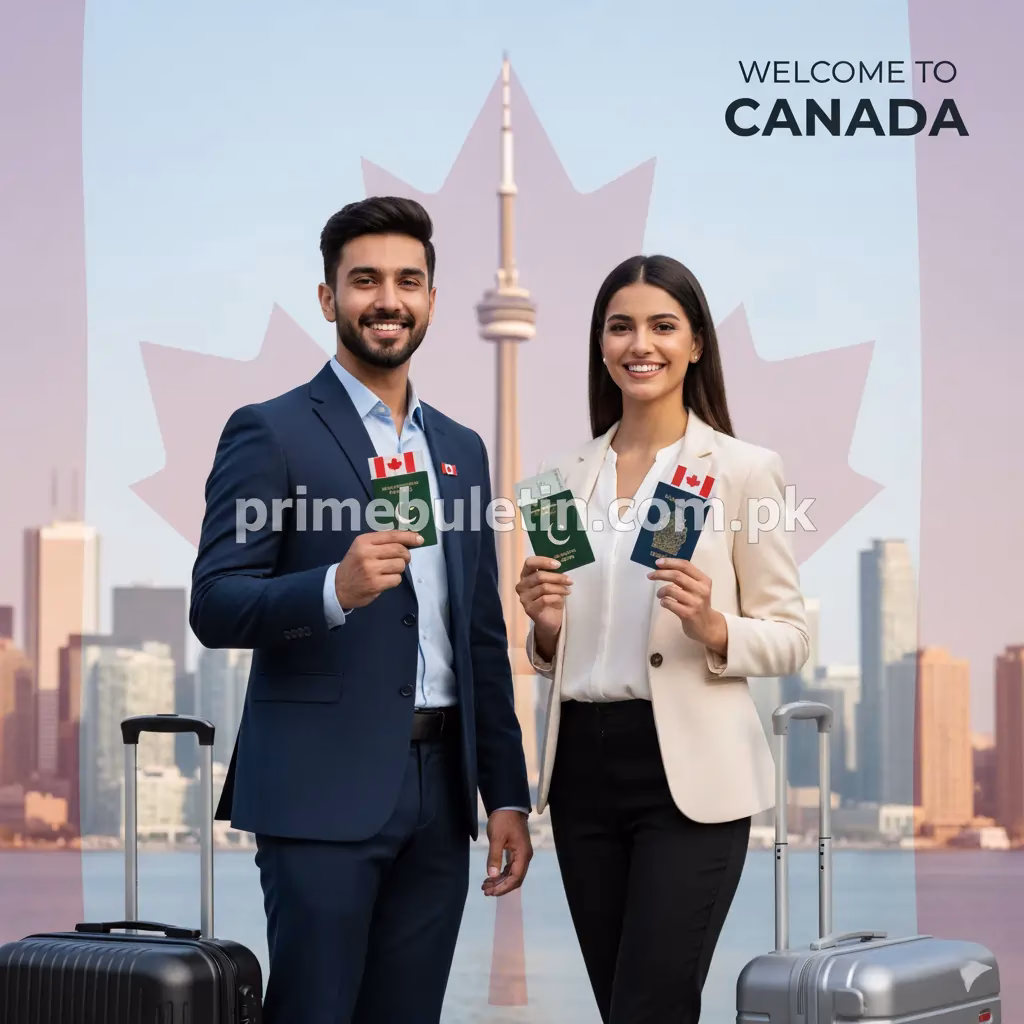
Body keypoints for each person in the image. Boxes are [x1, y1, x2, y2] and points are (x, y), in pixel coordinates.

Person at [190, 196, 533, 1024]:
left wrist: (507, 795)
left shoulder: (460, 450)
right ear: (327, 297)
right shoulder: (269, 433)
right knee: (312, 1012)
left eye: (408, 281)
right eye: (366, 280)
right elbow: (215, 603)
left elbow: (480, 634)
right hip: (319, 788)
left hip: (441, 794)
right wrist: (330, 591)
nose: (389, 300)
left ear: (432, 300)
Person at [516, 254, 809, 1023]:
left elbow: (790, 636)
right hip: (580, 768)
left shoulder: (743, 470)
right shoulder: (554, 479)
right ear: (600, 345)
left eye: (661, 326)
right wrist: (544, 630)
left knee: (652, 1003)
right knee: (622, 1007)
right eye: (620, 327)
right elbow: (556, 647)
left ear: (697, 344)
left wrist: (714, 628)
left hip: (690, 776)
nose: (639, 344)